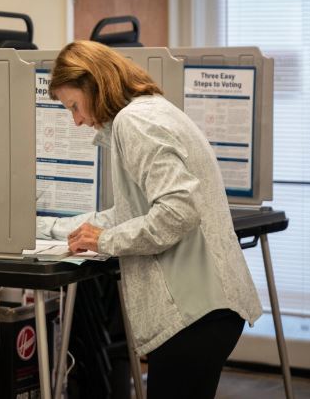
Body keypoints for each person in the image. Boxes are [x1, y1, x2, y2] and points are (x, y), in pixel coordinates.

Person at [36, 41, 262, 399]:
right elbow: (130, 214)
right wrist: (45, 228)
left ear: (95, 84)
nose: (76, 120)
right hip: (207, 312)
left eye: (74, 106)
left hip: (193, 314)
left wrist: (104, 241)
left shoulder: (135, 122)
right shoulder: (151, 112)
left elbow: (176, 211)